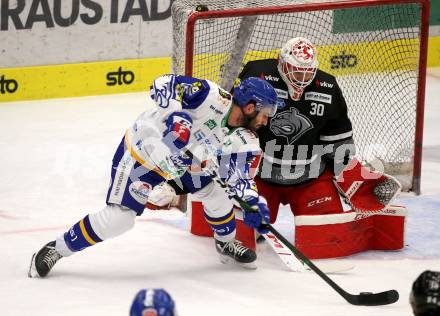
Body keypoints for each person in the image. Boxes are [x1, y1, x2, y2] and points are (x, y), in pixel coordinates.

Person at [28, 75, 282, 277]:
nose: (266, 120)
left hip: (182, 166)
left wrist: (252, 203)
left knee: (218, 194)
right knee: (119, 220)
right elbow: (162, 83)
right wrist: (177, 117)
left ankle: (225, 243)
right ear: (250, 107)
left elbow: (239, 179)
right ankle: (57, 248)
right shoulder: (210, 96)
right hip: (142, 155)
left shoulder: (246, 140)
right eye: (265, 113)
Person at [234, 36, 403, 257]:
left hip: (310, 180)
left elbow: (337, 139)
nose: (301, 78)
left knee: (326, 234)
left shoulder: (328, 87)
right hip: (260, 177)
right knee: (240, 231)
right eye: (295, 71)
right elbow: (234, 120)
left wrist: (350, 173)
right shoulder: (258, 74)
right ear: (281, 63)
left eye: (307, 73)